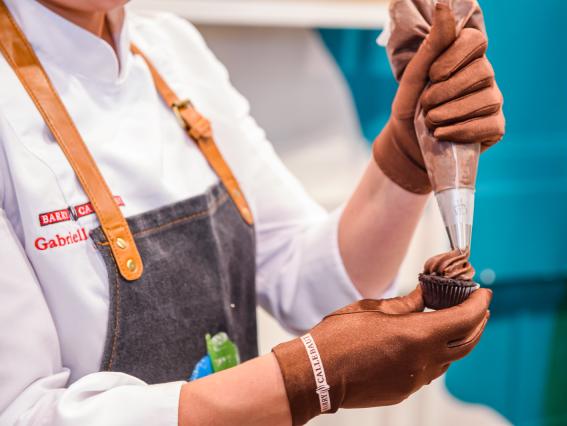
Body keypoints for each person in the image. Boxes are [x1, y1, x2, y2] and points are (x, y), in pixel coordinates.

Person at [0, 0, 504, 425]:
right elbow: (21, 411)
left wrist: (410, 155)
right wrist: (302, 379)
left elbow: (312, 283)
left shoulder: (171, 51)